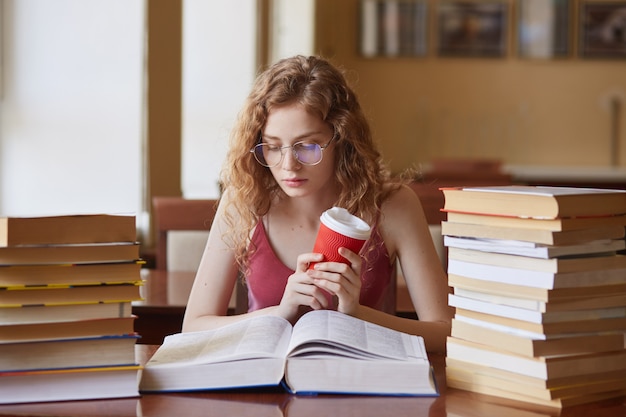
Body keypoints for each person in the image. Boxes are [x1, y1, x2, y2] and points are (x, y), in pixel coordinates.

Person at [182, 55, 452, 352]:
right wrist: (279, 312)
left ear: (342, 138)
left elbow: (445, 333)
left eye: (307, 146)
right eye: (272, 147)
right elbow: (193, 326)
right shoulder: (243, 201)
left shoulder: (393, 206)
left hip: (364, 385)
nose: (288, 166)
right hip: (264, 385)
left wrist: (356, 314)